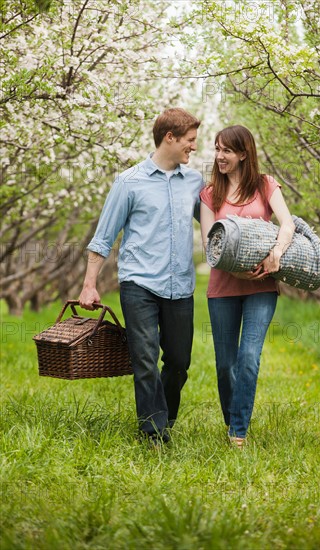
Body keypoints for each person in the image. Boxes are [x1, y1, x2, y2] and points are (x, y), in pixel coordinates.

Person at [79, 108, 204, 445]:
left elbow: (216, 220)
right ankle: (153, 431)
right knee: (145, 359)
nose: (193, 147)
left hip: (180, 286)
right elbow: (104, 236)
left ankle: (166, 418)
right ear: (170, 137)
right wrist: (89, 284)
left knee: (178, 362)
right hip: (139, 284)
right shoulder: (129, 181)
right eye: (190, 141)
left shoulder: (194, 182)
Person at [200, 125, 295, 449]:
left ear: (243, 153)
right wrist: (239, 272)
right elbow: (208, 244)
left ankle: (237, 432)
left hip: (262, 287)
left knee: (249, 357)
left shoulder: (266, 185)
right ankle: (233, 418)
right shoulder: (210, 193)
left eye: (226, 150)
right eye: (217, 149)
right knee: (226, 364)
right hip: (224, 288)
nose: (219, 156)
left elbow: (288, 223)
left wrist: (276, 253)